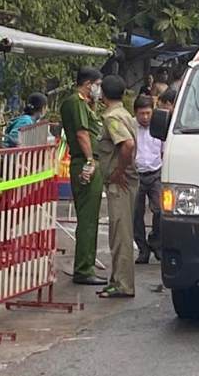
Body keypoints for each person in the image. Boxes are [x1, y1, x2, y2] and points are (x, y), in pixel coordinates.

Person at [60, 68, 106, 286]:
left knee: (90, 216)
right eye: (97, 84)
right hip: (85, 161)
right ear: (88, 84)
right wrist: (90, 160)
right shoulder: (75, 102)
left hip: (87, 160)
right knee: (88, 219)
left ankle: (86, 264)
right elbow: (82, 133)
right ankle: (84, 268)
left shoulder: (83, 104)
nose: (99, 89)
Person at [98, 75, 138, 298]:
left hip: (121, 184)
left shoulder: (112, 117)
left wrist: (118, 172)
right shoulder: (124, 114)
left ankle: (123, 284)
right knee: (118, 232)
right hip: (126, 181)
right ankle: (116, 279)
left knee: (121, 234)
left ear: (103, 94)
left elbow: (127, 145)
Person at [133, 94, 163, 264]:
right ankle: (142, 249)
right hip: (136, 174)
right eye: (141, 114)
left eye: (148, 113)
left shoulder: (159, 126)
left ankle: (155, 242)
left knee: (160, 210)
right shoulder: (131, 126)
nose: (145, 117)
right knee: (136, 214)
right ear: (135, 113)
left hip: (155, 172)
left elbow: (164, 149)